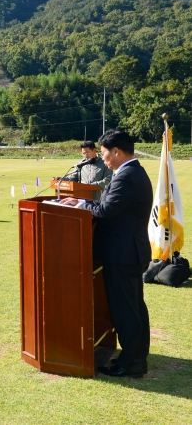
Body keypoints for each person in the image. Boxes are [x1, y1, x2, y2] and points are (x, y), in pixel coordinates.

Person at [60, 130, 152, 378]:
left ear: (116, 152)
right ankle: (137, 357)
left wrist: (79, 203)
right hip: (129, 251)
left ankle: (131, 363)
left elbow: (107, 209)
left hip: (122, 254)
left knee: (126, 312)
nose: (103, 159)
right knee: (134, 309)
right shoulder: (133, 171)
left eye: (103, 154)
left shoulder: (127, 176)